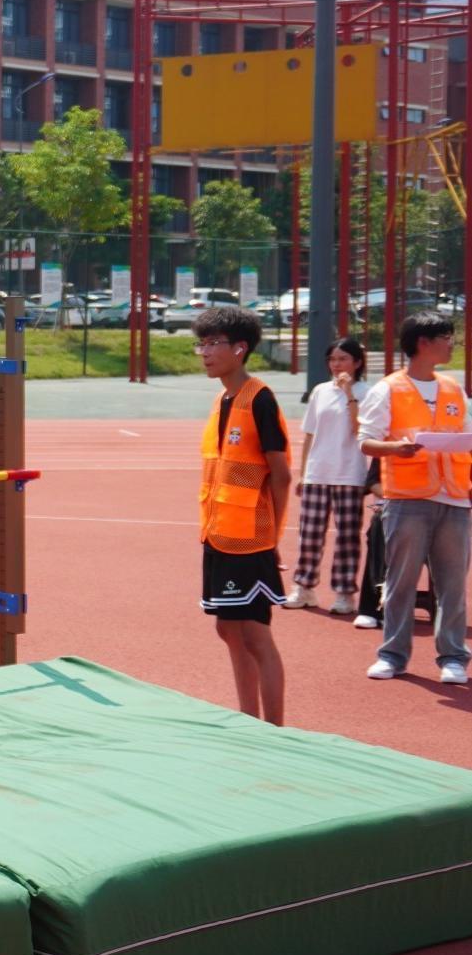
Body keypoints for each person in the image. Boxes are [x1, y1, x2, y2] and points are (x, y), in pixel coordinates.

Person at [358, 312, 470, 685]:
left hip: (454, 498)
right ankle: (392, 655)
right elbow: (366, 441)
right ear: (423, 343)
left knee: (452, 584)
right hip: (407, 498)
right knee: (400, 581)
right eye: (446, 337)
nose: (452, 344)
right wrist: (396, 448)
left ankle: (453, 657)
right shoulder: (388, 389)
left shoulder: (453, 388)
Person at [193, 306, 292, 725]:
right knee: (228, 629)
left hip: (250, 539)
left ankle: (274, 728)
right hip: (218, 533)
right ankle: (249, 719)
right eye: (201, 344)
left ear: (240, 348)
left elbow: (282, 475)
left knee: (254, 633)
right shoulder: (222, 400)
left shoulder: (260, 399)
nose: (204, 352)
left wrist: (273, 538)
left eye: (213, 343)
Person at [281, 338, 369, 615]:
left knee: (347, 538)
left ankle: (344, 593)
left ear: (357, 362)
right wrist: (303, 473)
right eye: (332, 359)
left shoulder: (368, 392)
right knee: (309, 535)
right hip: (318, 472)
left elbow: (360, 429)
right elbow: (310, 433)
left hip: (350, 473)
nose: (337, 364)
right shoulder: (320, 391)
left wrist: (349, 393)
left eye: (343, 359)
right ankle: (304, 587)